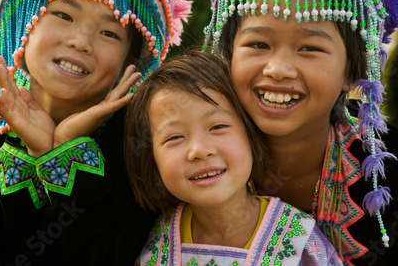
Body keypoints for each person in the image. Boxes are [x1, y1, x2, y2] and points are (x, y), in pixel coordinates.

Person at [202, 0, 398, 265]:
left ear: (351, 73)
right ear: (227, 55)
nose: (278, 69)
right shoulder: (195, 151)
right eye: (258, 44)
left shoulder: (397, 173)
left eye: (310, 48)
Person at [0, 0, 190, 264]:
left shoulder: (139, 149)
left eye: (109, 32)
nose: (80, 42)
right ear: (24, 22)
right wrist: (28, 156)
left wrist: (64, 150)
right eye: (63, 15)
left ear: (130, 63)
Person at [125, 50, 342, 265]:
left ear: (251, 135)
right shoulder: (159, 241)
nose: (199, 150)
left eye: (218, 126)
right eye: (174, 137)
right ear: (151, 160)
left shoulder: (297, 239)